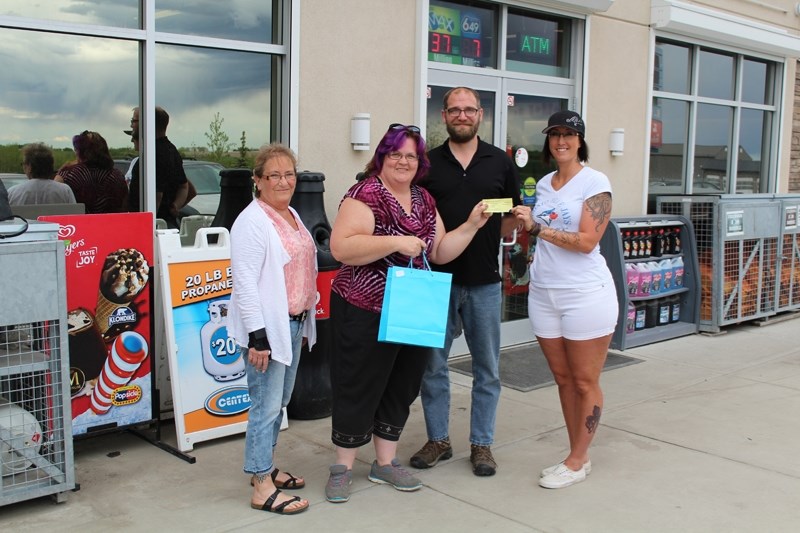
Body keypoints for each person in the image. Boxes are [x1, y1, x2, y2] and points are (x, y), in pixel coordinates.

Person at [325, 123, 490, 503]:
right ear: (382, 157)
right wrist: (397, 241)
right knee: (358, 386)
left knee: (402, 386)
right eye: (396, 153)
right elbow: (342, 248)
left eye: (411, 155)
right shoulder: (365, 195)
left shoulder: (423, 200)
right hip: (365, 309)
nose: (403, 161)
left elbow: (439, 251)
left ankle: (385, 462)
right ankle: (343, 466)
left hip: (413, 309)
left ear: (420, 162)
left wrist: (471, 225)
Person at [412, 87, 521, 477]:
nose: (462, 115)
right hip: (435, 280)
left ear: (480, 115)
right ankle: (439, 439)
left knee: (487, 369)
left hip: (484, 283)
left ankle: (482, 445)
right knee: (432, 367)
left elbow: (509, 212)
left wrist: (495, 233)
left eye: (469, 109)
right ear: (443, 115)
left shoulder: (500, 162)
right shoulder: (427, 163)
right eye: (454, 109)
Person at [510, 110, 617, 489]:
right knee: (562, 379)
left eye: (568, 134)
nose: (561, 141)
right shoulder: (543, 184)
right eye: (554, 135)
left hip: (585, 294)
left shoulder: (595, 182)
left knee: (585, 381)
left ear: (580, 140)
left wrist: (539, 227)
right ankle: (578, 454)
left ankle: (576, 459)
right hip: (544, 292)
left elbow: (588, 241)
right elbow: (539, 235)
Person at [227, 143, 317, 515]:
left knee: (278, 404)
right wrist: (257, 337)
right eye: (274, 175)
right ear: (258, 181)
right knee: (265, 407)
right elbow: (245, 283)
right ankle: (261, 484)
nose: (284, 181)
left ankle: (264, 466)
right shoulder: (251, 222)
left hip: (292, 324)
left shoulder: (290, 213)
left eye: (289, 174)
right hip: (266, 332)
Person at [127, 106, 189, 228]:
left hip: (153, 228)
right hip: (165, 224)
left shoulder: (153, 155)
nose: (131, 125)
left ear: (147, 122)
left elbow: (156, 196)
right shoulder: (171, 150)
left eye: (134, 121)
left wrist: (145, 227)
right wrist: (175, 206)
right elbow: (184, 186)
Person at [56, 131, 128, 214]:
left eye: (76, 149)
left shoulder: (67, 174)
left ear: (80, 151)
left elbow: (55, 204)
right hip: (112, 225)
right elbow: (124, 208)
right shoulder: (117, 176)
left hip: (78, 225)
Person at [8, 143, 76, 205]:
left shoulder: (12, 193)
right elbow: (74, 215)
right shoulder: (65, 191)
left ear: (29, 167)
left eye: (23, 164)